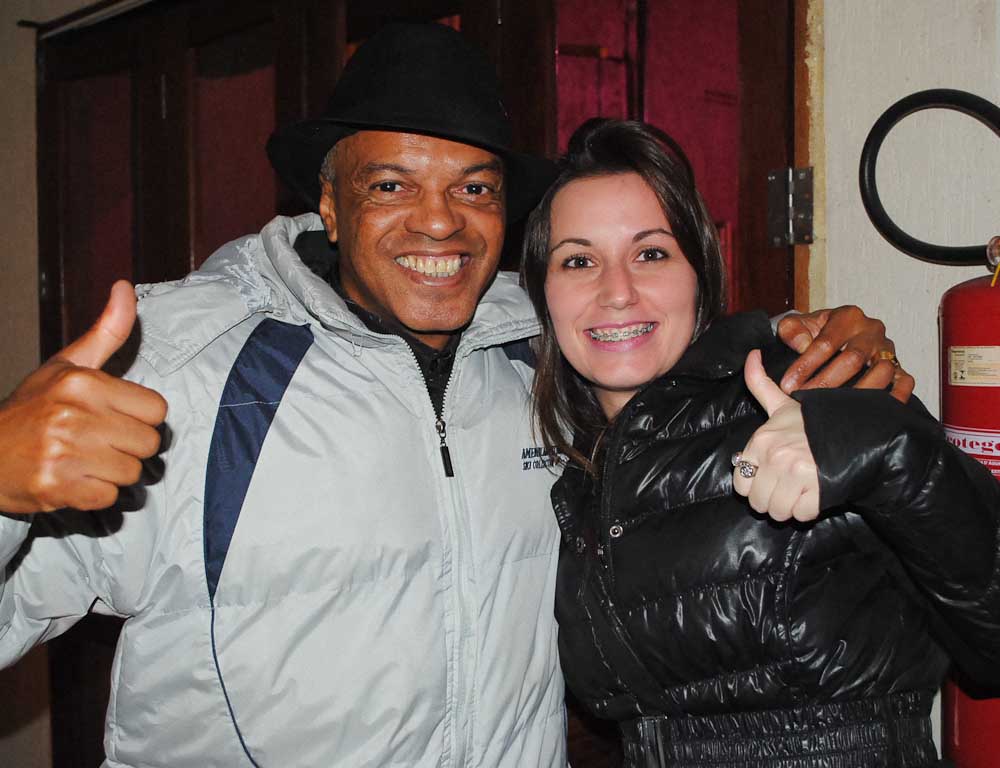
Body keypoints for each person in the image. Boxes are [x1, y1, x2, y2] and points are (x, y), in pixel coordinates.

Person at [1, 24, 906, 767]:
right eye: (391, 184)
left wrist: (812, 348)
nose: (439, 220)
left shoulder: (546, 356)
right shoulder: (186, 375)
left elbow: (672, 345)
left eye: (474, 187)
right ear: (329, 202)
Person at [520, 117, 1000, 767]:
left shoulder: (807, 389)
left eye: (651, 253)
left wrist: (885, 446)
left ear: (699, 272)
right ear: (541, 293)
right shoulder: (575, 477)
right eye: (579, 260)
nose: (618, 292)